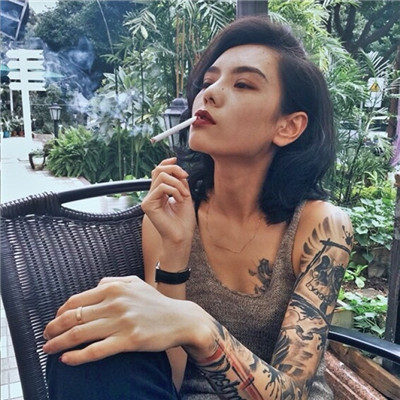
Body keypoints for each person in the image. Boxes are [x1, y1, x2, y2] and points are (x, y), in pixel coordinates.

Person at [43, 15, 353, 399]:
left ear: (287, 126)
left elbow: (294, 393)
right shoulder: (172, 214)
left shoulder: (319, 226)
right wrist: (175, 248)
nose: (210, 94)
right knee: (83, 348)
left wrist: (197, 325)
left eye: (242, 84)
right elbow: (169, 378)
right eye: (208, 82)